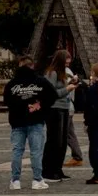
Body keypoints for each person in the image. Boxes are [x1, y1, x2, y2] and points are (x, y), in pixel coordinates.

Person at [3, 57, 57, 191]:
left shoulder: (12, 83)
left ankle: (15, 180)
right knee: (36, 152)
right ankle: (37, 179)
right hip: (35, 120)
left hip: (17, 121)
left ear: (20, 66)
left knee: (17, 151)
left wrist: (19, 107)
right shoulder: (40, 81)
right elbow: (53, 95)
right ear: (32, 66)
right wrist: (40, 105)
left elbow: (6, 101)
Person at [41, 51, 74, 181]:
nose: (68, 62)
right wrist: (67, 89)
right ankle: (48, 171)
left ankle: (57, 169)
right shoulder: (52, 73)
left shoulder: (63, 73)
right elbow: (50, 93)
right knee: (54, 141)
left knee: (62, 142)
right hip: (54, 109)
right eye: (66, 60)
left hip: (65, 108)